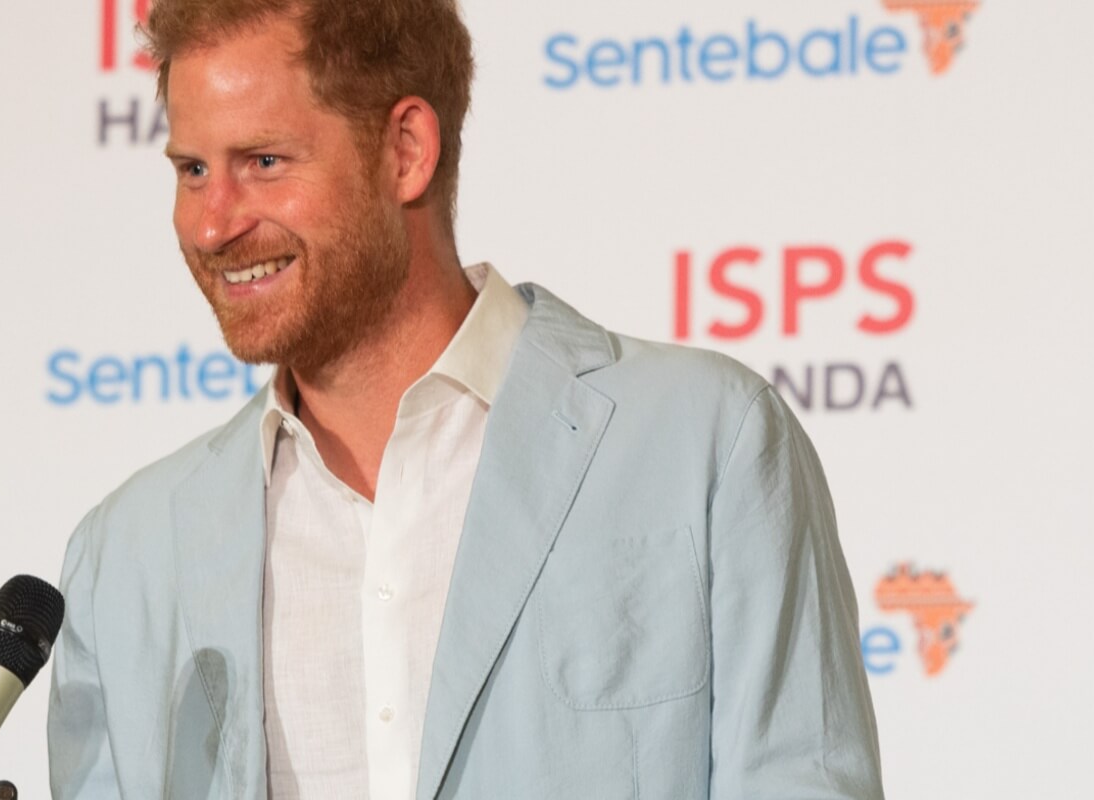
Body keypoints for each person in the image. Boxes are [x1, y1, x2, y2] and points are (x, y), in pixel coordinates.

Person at [46, 0, 885, 797]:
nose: (210, 224)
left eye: (263, 163)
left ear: (406, 150)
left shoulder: (708, 444)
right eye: (193, 170)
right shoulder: (122, 559)